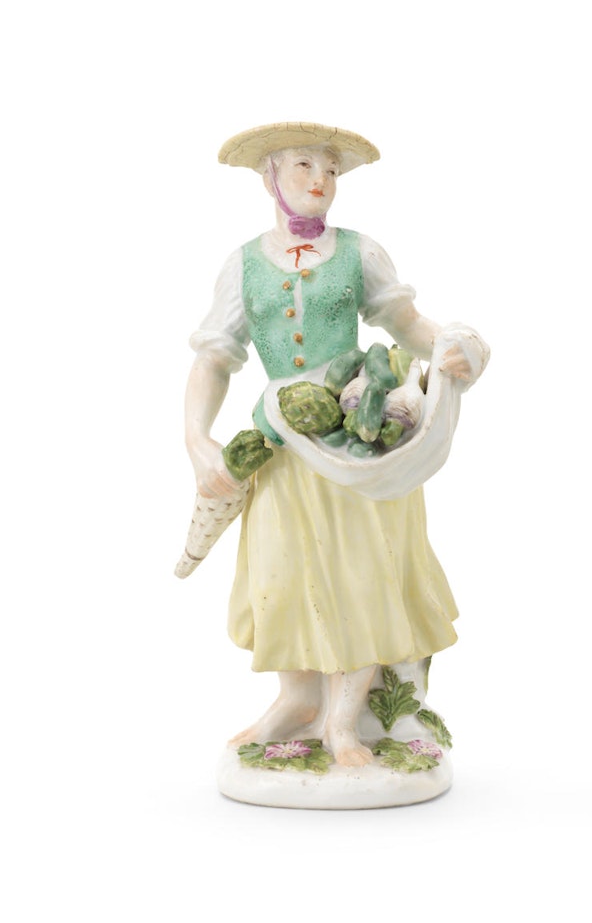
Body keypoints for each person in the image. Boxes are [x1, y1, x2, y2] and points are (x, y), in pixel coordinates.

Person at [186, 122, 484, 768]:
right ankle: (297, 701)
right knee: (283, 572)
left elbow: (405, 323)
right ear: (270, 176)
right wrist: (197, 440)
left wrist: (451, 349)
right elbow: (215, 357)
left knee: (363, 573)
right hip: (282, 443)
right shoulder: (243, 264)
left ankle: (345, 721)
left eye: (329, 169)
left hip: (357, 443)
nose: (319, 179)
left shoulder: (360, 252)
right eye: (302, 165)